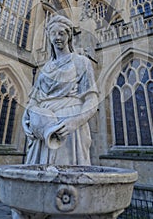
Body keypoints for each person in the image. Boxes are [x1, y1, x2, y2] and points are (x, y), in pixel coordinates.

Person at [22, 14, 99, 165]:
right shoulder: (45, 68)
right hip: (42, 128)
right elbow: (34, 100)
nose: (57, 37)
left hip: (68, 125)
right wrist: (26, 118)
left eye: (62, 33)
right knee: (39, 177)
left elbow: (92, 99)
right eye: (53, 34)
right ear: (48, 37)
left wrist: (75, 122)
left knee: (66, 177)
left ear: (69, 36)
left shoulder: (81, 62)